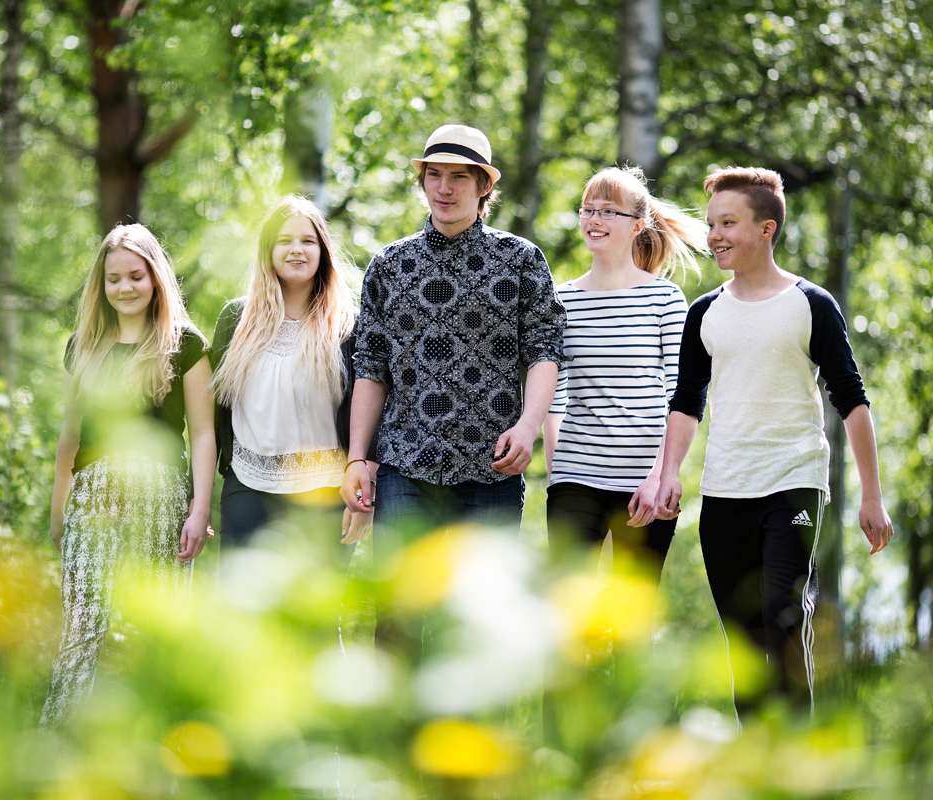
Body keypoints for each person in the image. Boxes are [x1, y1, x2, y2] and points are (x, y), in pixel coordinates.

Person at [653, 167, 893, 711]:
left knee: (783, 623)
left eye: (728, 223)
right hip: (724, 492)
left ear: (766, 229)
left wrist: (871, 498)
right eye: (712, 223)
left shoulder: (811, 304)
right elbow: (686, 402)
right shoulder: (703, 314)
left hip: (792, 482)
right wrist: (668, 473)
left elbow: (852, 401)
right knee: (743, 646)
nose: (715, 235)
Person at [341, 124, 567, 656]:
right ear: (422, 182)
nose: (444, 188)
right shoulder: (389, 265)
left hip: (491, 470)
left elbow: (545, 350)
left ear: (483, 187)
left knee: (478, 628)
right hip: (405, 468)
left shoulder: (521, 260)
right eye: (434, 175)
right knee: (396, 620)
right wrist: (356, 458)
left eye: (459, 178)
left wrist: (530, 425)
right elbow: (370, 367)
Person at [41, 224, 215, 728]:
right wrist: (59, 513)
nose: (125, 288)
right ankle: (62, 746)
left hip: (161, 496)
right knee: (82, 627)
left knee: (153, 625)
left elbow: (204, 435)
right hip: (93, 499)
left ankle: (153, 746)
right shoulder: (85, 347)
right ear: (102, 285)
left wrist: (199, 508)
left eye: (136, 276)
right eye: (114, 279)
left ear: (155, 278)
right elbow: (69, 441)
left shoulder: (185, 344)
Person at [543, 166, 708, 640]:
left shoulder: (665, 299)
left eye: (607, 212)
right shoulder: (562, 300)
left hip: (646, 485)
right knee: (569, 627)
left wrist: (661, 475)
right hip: (576, 477)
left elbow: (685, 393)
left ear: (637, 224)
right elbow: (555, 394)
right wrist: (558, 470)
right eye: (587, 210)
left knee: (632, 630)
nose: (594, 220)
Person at [211, 195, 375, 559]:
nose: (296, 250)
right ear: (268, 250)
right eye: (284, 241)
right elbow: (212, 415)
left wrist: (366, 496)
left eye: (307, 241)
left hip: (327, 493)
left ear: (323, 251)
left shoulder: (348, 325)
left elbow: (373, 409)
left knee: (317, 613)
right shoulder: (236, 320)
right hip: (248, 488)